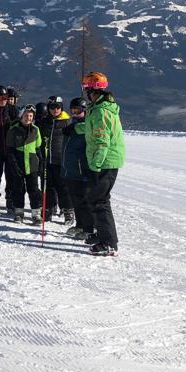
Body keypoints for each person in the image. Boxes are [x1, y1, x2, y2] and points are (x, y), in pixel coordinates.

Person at [82, 71, 125, 256]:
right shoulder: (99, 108)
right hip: (105, 160)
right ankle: (102, 235)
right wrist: (75, 127)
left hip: (105, 161)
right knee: (97, 198)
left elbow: (102, 141)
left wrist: (95, 166)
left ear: (92, 90)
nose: (86, 93)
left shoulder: (101, 111)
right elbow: (93, 128)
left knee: (99, 200)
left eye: (87, 89)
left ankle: (109, 243)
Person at [57, 97, 95, 239]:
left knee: (83, 201)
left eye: (78, 111)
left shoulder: (86, 126)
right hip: (70, 169)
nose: (75, 113)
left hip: (81, 170)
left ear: (85, 111)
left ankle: (89, 228)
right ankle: (80, 225)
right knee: (76, 200)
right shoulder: (73, 125)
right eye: (73, 110)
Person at [38, 95, 74, 224]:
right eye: (52, 107)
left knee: (63, 187)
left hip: (61, 161)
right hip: (47, 160)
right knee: (47, 186)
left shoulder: (67, 121)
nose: (55, 110)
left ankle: (68, 211)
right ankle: (48, 209)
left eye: (58, 107)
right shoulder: (44, 121)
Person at [5, 104, 43, 223]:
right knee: (18, 189)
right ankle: (19, 212)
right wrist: (13, 164)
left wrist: (41, 162)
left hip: (32, 163)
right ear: (21, 116)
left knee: (34, 189)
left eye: (31, 116)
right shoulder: (13, 129)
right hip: (18, 161)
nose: (28, 118)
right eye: (26, 115)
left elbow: (38, 148)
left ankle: (36, 213)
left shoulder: (36, 129)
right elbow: (10, 150)